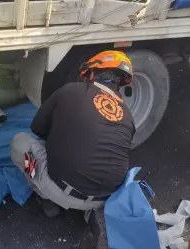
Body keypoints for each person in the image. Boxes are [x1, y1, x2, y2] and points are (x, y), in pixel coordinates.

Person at [11, 50, 135, 220]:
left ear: (92, 73)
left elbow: (37, 128)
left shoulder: (70, 90)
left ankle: (44, 195)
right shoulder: (128, 115)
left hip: (62, 192)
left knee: (20, 143)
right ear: (119, 84)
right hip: (105, 200)